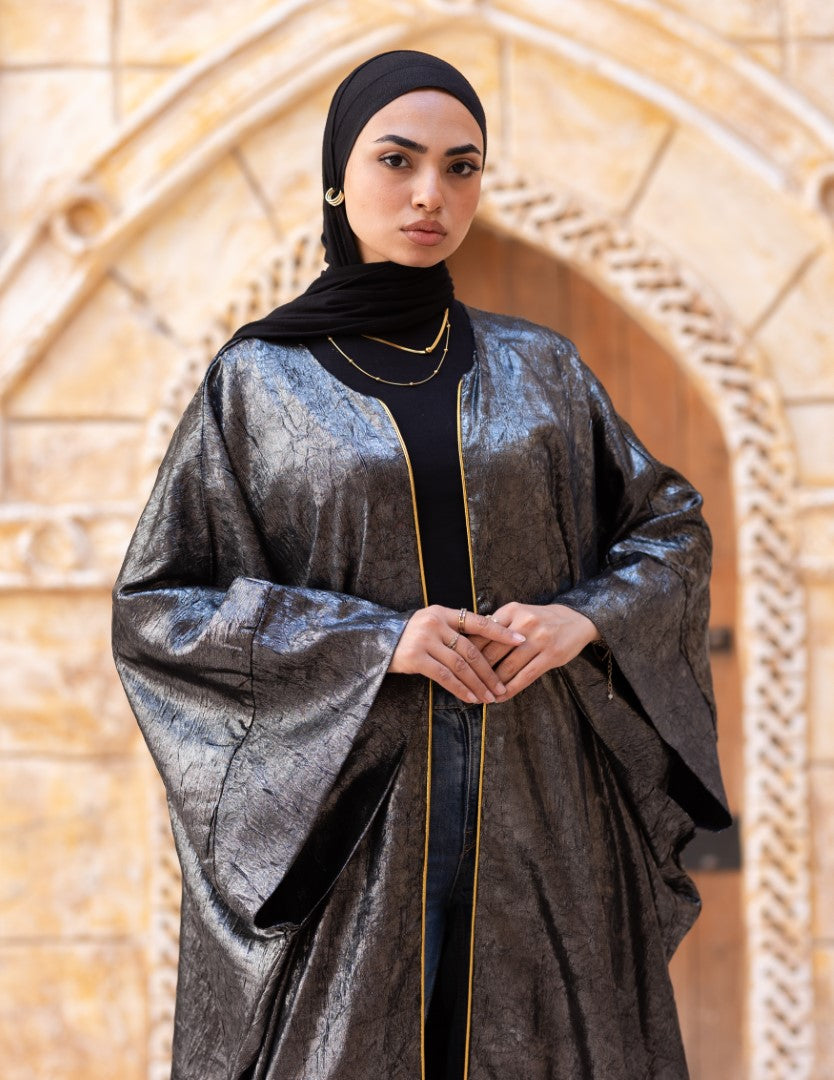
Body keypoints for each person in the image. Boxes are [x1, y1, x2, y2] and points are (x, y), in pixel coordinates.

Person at [112, 50, 730, 1080]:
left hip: (542, 809)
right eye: (396, 160)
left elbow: (671, 527)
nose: (430, 193)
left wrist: (584, 617)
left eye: (461, 166)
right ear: (337, 178)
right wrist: (378, 641)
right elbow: (159, 606)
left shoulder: (541, 368)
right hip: (351, 829)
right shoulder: (257, 383)